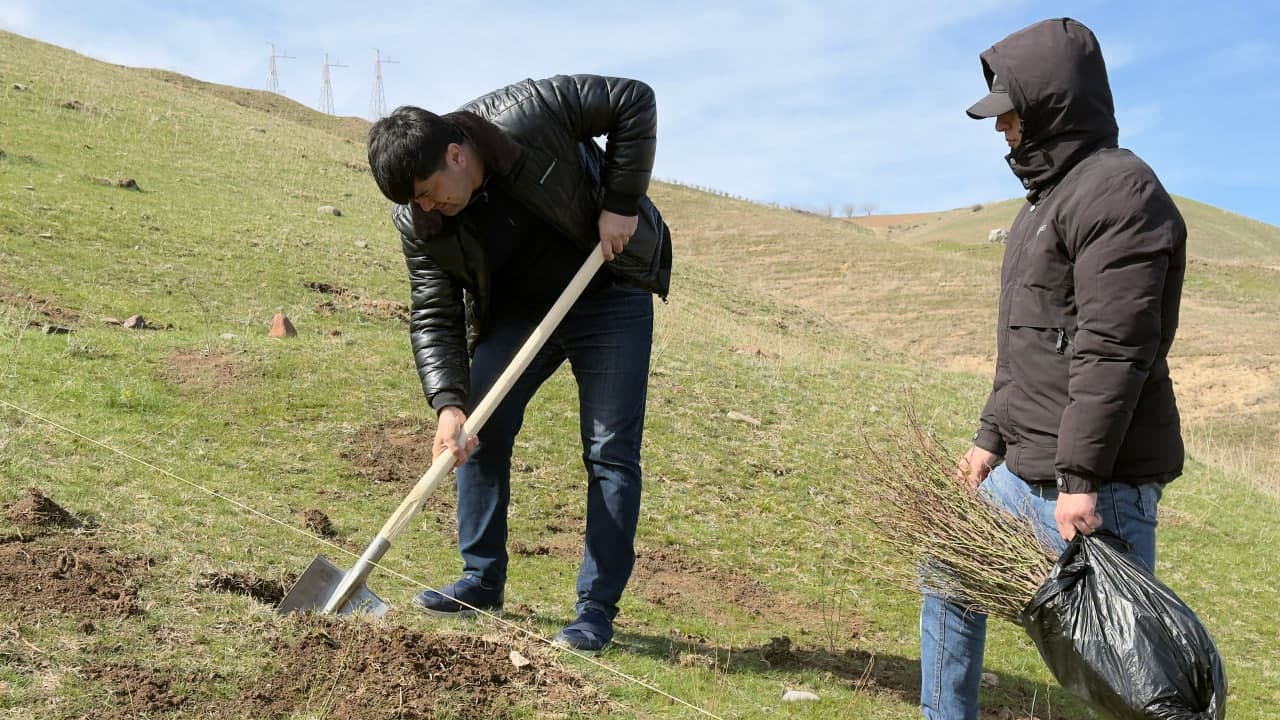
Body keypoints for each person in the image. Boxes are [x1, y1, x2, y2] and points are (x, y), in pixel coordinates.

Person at [921, 18, 1187, 719]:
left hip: (1095, 487)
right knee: (947, 571)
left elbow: (1115, 349)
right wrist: (989, 439)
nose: (1000, 127)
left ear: (1049, 107)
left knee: (1124, 677)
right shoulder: (1045, 204)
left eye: (1010, 111)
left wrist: (1080, 480)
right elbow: (1029, 345)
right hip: (1024, 472)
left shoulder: (1121, 193)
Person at [366, 74, 672, 655]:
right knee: (477, 430)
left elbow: (634, 100)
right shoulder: (420, 221)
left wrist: (620, 204)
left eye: (429, 191)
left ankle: (595, 611)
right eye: (414, 201)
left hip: (607, 287)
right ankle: (481, 580)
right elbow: (434, 315)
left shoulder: (530, 111)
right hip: (517, 314)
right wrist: (448, 405)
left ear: (456, 155)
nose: (427, 206)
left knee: (609, 450)